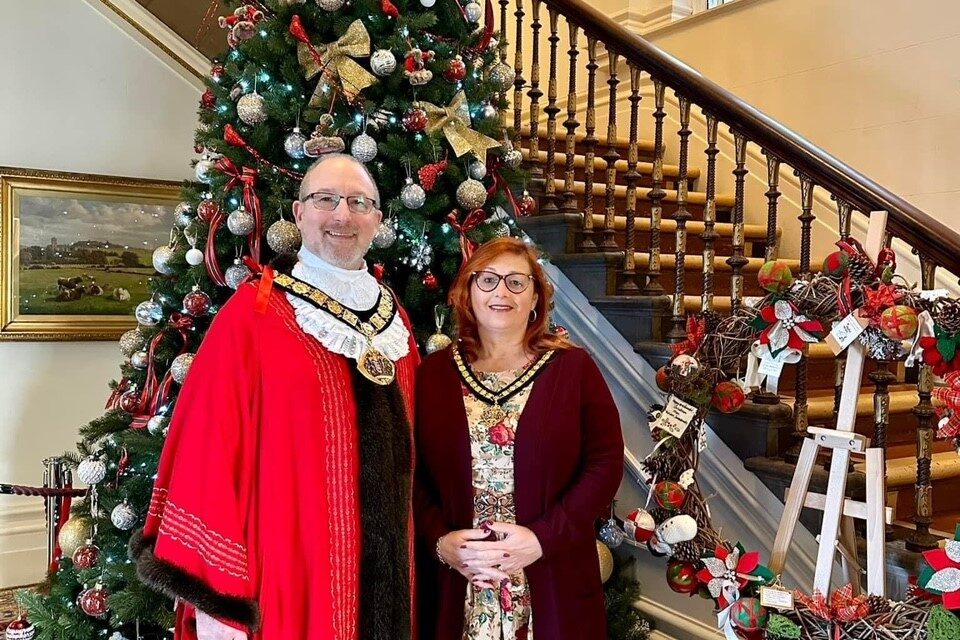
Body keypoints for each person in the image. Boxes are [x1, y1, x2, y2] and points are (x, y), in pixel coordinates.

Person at [131, 154, 419, 640]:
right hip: (288, 578)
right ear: (299, 212)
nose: (342, 215)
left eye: (358, 202)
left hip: (392, 577)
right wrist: (222, 601)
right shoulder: (254, 316)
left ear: (378, 219)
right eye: (325, 199)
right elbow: (208, 453)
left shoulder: (396, 321)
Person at [413, 237, 624, 640]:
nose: (501, 292)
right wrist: (441, 541)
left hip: (550, 571)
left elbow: (605, 464)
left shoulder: (574, 369)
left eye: (516, 282)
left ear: (536, 299)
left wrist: (543, 537)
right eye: (487, 279)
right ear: (467, 292)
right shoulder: (433, 375)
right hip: (460, 579)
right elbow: (413, 474)